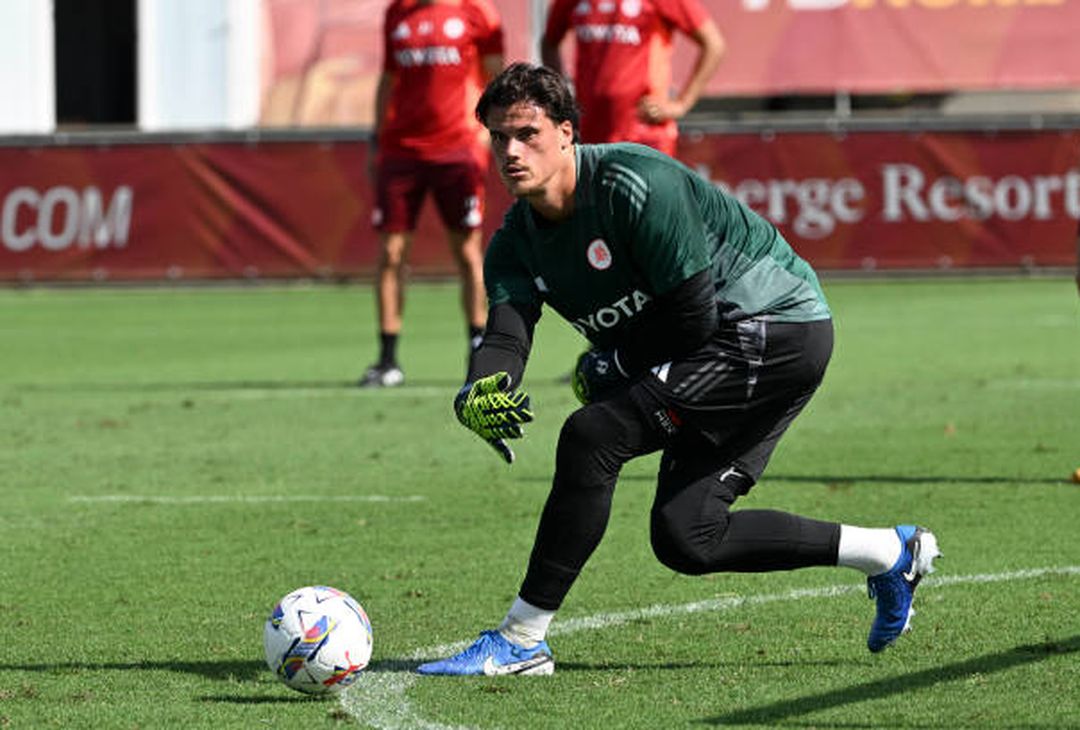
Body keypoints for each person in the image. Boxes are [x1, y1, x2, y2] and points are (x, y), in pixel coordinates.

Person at [416, 64, 942, 676]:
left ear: (566, 133)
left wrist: (610, 362)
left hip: (772, 326)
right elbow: (506, 334)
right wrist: (479, 388)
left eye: (527, 133)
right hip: (729, 344)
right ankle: (889, 552)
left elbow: (693, 317)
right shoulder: (512, 244)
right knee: (688, 535)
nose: (510, 150)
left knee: (592, 437)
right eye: (498, 136)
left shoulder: (636, 184)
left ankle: (522, 640)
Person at [360, 0, 504, 387]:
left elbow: (497, 78)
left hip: (458, 150)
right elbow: (388, 78)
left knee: (467, 251)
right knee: (390, 253)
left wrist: (494, 134)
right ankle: (388, 359)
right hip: (401, 150)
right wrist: (376, 139)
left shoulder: (478, 13)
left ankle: (477, 349)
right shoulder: (397, 13)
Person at [540, 0, 725, 157]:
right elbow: (549, 43)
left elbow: (714, 44)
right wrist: (563, 99)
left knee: (650, 199)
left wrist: (681, 104)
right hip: (590, 136)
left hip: (645, 136)